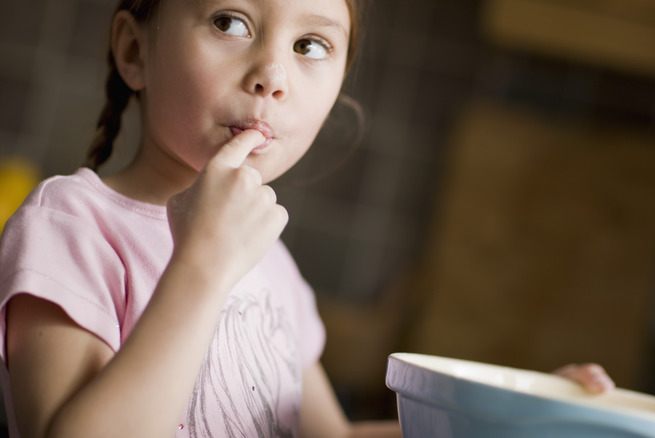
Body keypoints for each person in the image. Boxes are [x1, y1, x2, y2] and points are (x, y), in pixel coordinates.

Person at [0, 0, 615, 437]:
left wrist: (510, 420)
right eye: (230, 22)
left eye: (309, 45)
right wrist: (203, 266)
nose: (272, 75)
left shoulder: (273, 264)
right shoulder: (71, 225)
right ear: (135, 51)